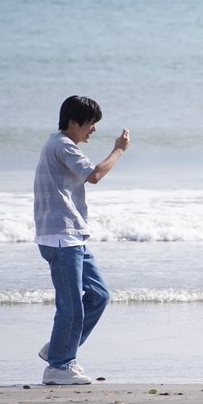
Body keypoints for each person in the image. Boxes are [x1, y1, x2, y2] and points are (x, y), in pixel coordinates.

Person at [34, 95, 130, 385]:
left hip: (73, 236)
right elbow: (95, 175)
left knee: (99, 296)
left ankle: (58, 348)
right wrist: (118, 150)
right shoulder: (62, 145)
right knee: (72, 305)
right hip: (61, 237)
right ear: (73, 122)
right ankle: (59, 366)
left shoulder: (60, 145)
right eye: (90, 123)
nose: (93, 129)